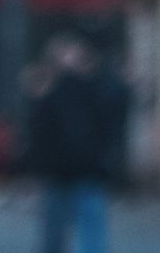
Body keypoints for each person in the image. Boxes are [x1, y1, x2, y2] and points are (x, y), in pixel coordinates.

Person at [22, 35, 126, 253]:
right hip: (67, 174)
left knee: (74, 234)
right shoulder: (60, 92)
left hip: (82, 172)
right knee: (66, 234)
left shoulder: (94, 88)